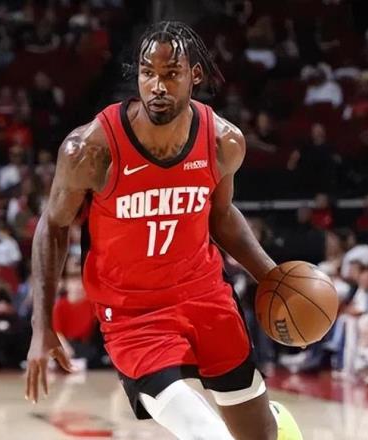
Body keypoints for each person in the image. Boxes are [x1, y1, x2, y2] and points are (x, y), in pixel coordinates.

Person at [25, 21, 302, 440]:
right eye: (147, 72)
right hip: (134, 315)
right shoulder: (90, 149)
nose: (157, 86)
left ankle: (275, 421)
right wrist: (41, 323)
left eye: (171, 73)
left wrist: (272, 277)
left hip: (206, 297)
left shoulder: (223, 142)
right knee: (208, 435)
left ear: (195, 76)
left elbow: (222, 215)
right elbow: (53, 226)